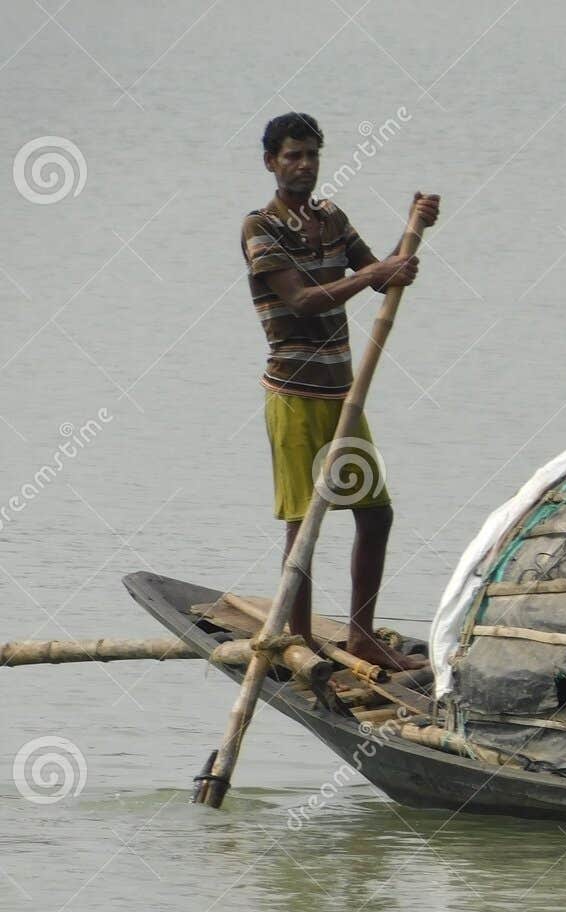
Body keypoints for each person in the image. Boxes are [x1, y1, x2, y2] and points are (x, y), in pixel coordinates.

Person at [242, 112, 440, 669]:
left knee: (374, 513)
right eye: (292, 156)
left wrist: (412, 229)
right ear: (271, 163)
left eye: (311, 156)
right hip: (293, 394)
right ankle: (299, 640)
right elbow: (304, 300)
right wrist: (377, 276)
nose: (304, 166)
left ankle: (362, 637)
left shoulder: (331, 219)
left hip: (342, 398)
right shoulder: (261, 228)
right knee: (303, 523)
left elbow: (378, 270)